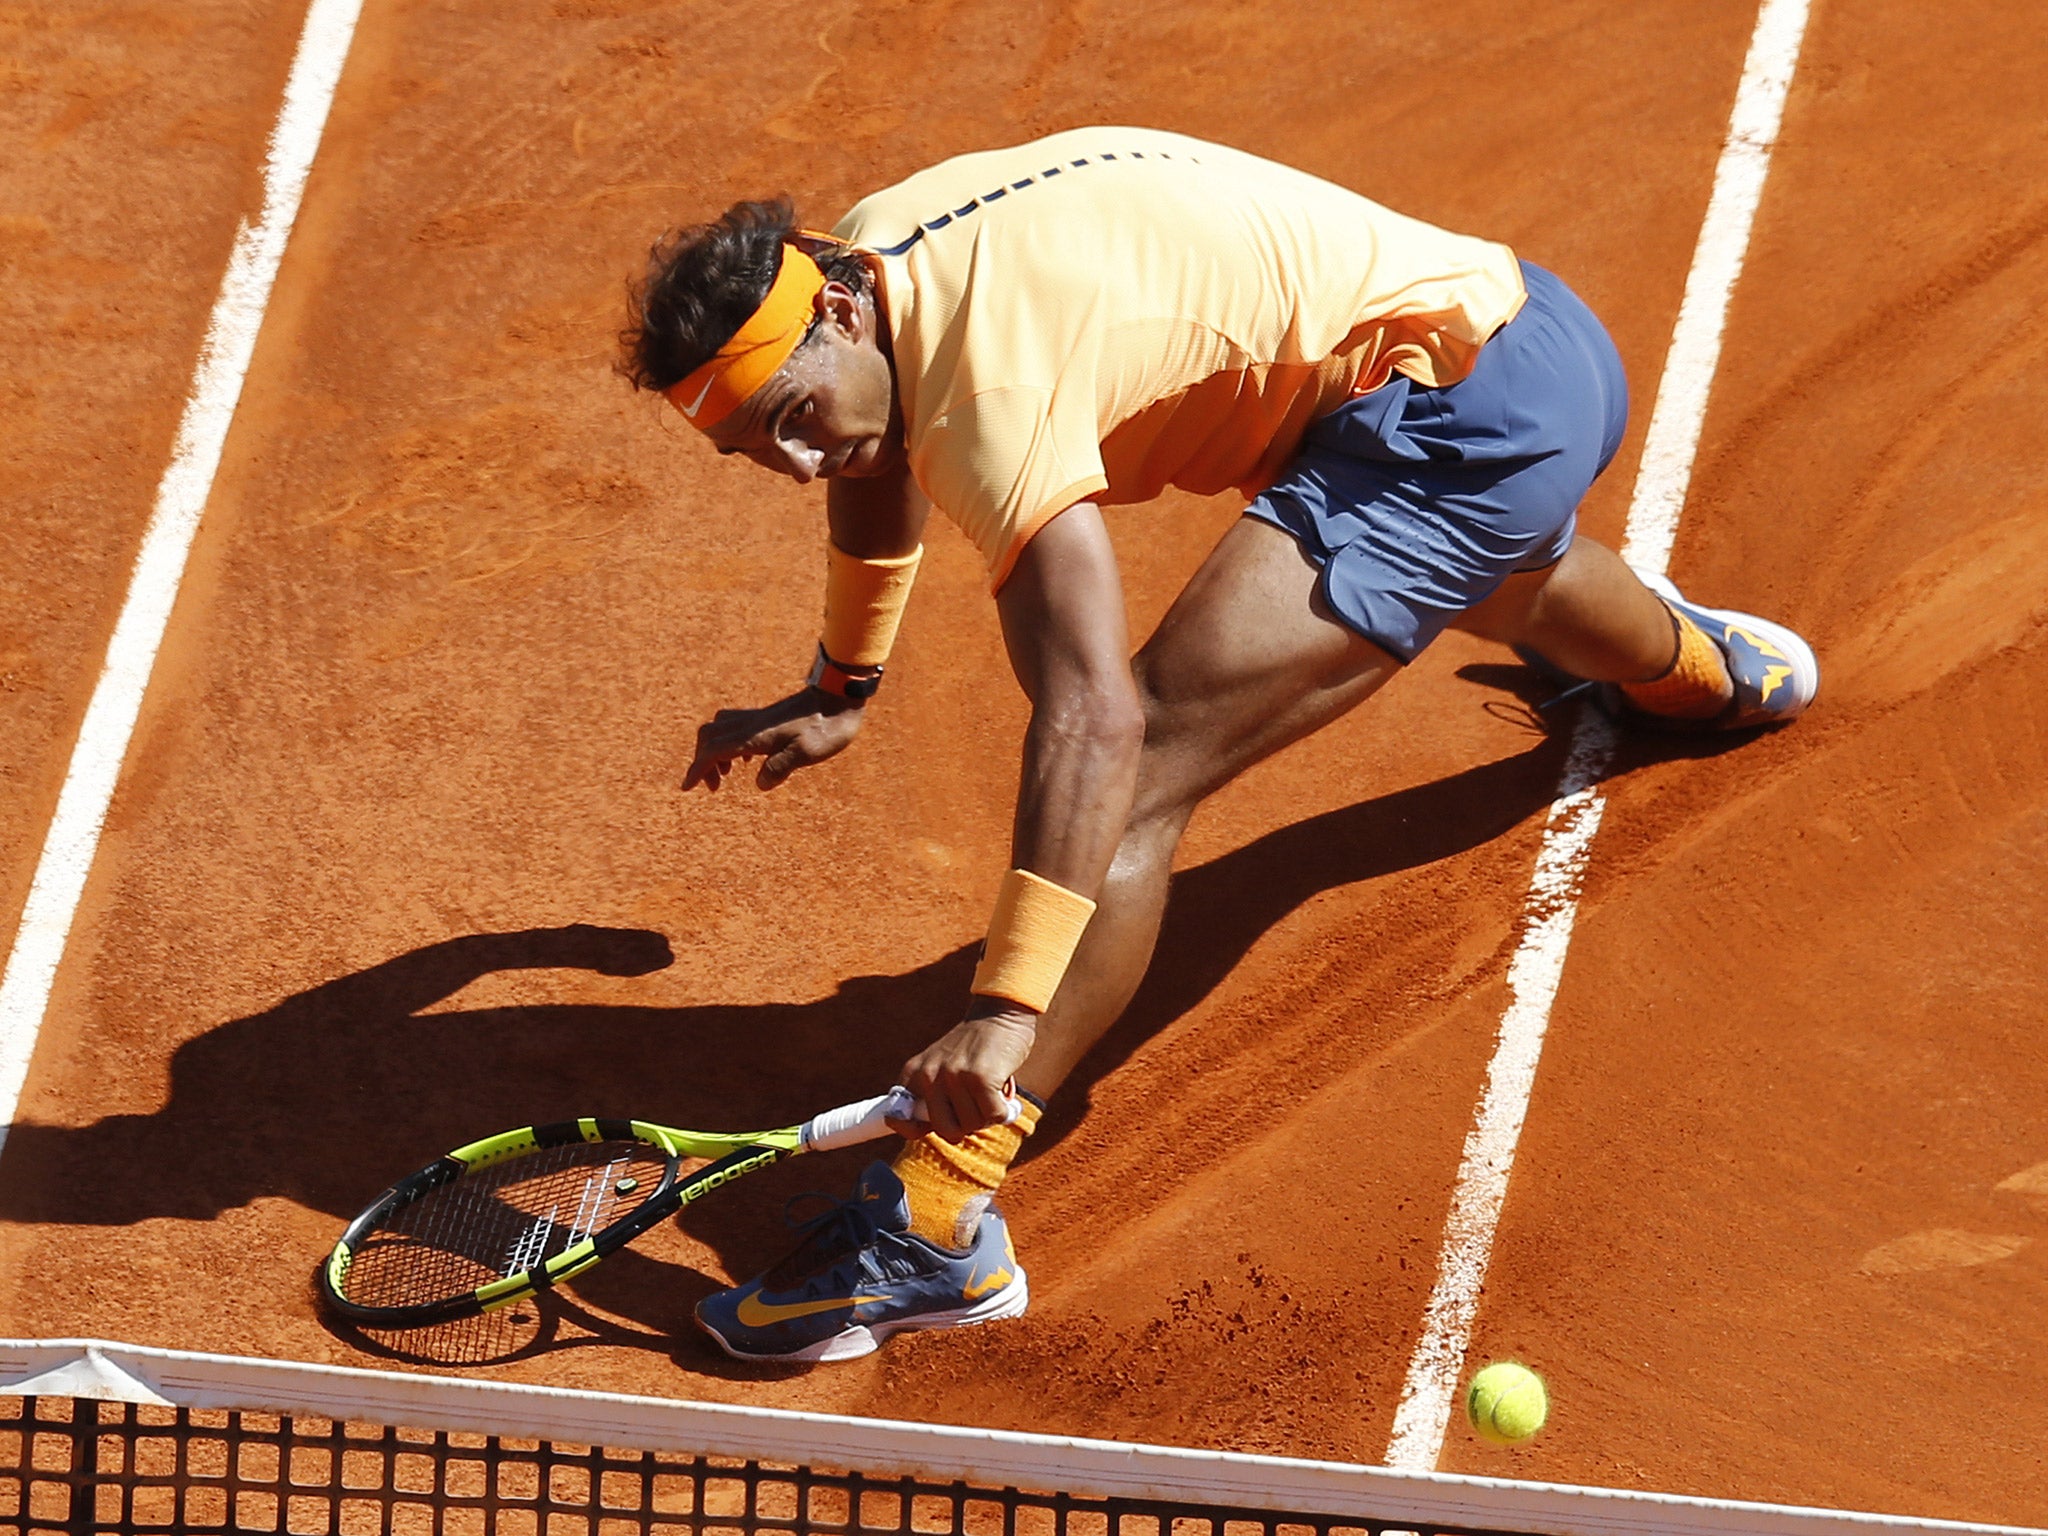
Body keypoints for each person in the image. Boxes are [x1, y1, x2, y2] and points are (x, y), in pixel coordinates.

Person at [618, 127, 1817, 1364]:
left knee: (1132, 782)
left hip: (1453, 413)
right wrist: (844, 674)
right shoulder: (860, 264)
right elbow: (871, 448)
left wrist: (1002, 1010)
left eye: (791, 418)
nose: (795, 461)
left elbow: (1095, 721)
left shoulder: (991, 398)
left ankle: (936, 1227)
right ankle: (1705, 676)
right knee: (1501, 568)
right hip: (1518, 340)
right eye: (754, 447)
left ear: (843, 314)